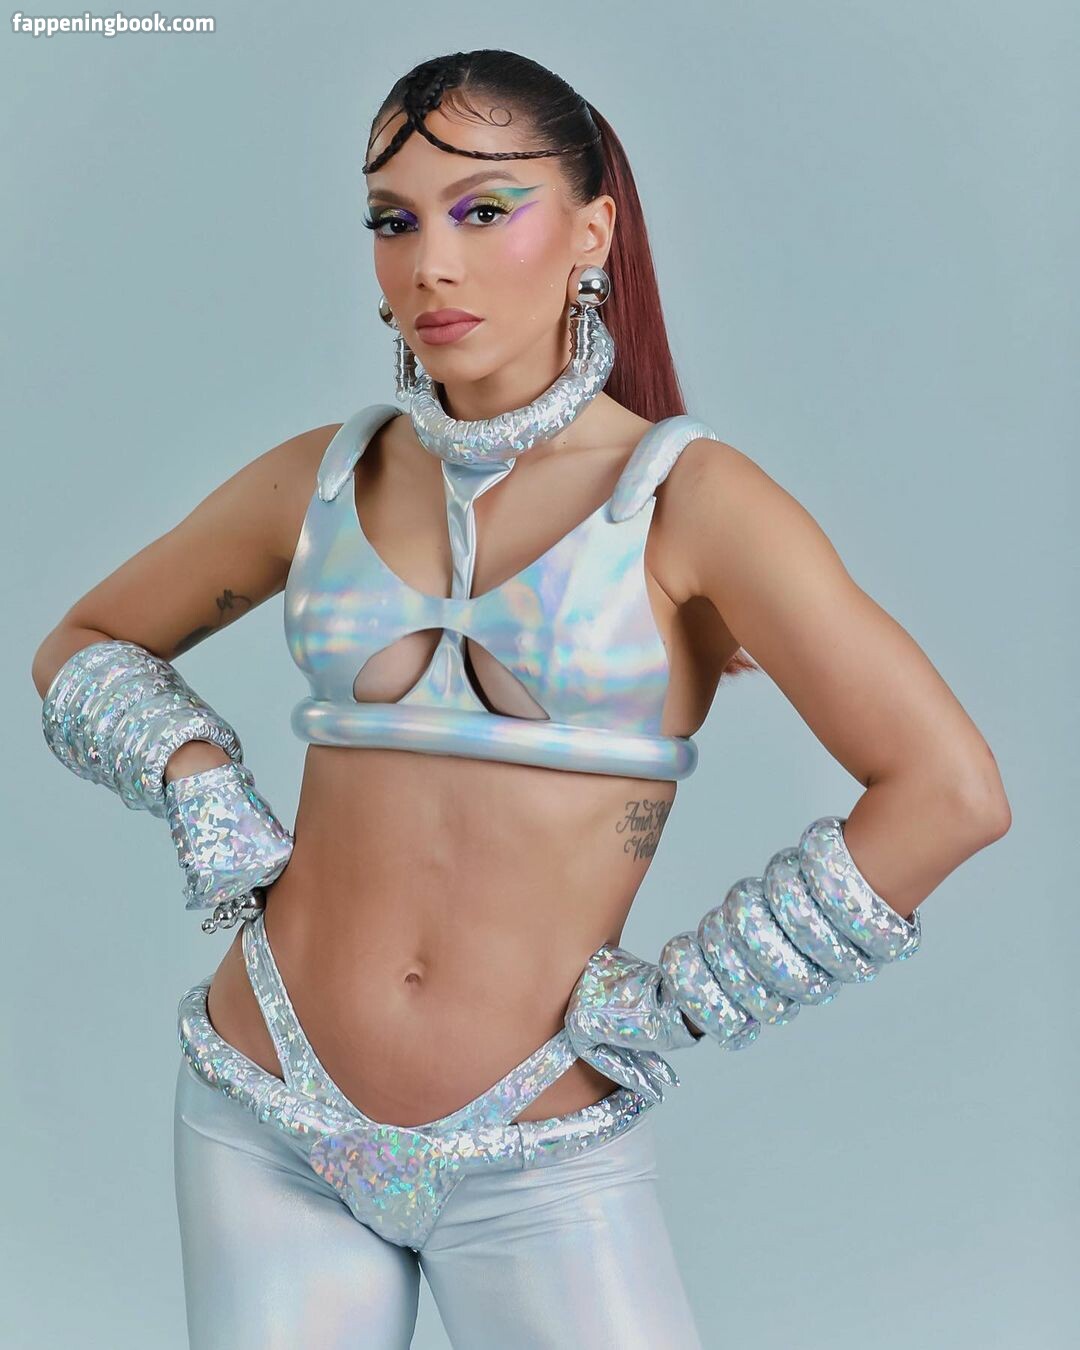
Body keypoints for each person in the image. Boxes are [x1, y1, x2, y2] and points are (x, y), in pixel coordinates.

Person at [32, 48, 1011, 1350]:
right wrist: (195, 778)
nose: (431, 263)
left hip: (535, 1147)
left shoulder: (692, 502)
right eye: (394, 220)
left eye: (483, 209)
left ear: (593, 232)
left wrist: (695, 991)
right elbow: (83, 642)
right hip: (262, 1107)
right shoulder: (322, 480)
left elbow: (948, 792)